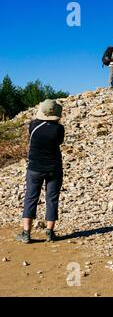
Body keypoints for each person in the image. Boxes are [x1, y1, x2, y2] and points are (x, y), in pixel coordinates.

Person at [17, 99, 65, 244]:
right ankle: (50, 233)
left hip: (34, 168)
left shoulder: (33, 125)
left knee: (31, 198)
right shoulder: (59, 129)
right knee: (52, 199)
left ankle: (26, 234)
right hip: (54, 168)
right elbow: (59, 142)